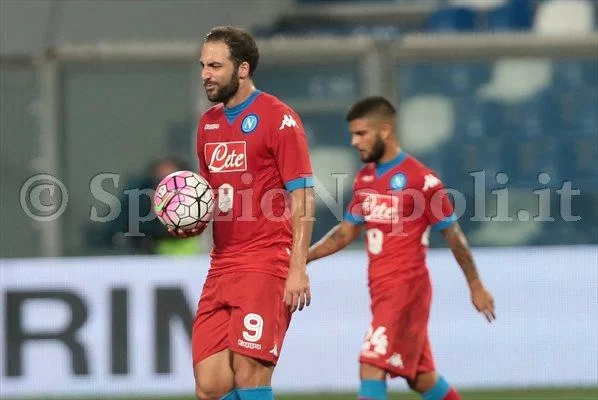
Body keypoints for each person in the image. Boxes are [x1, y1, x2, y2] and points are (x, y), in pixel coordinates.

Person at [307, 96, 495, 400]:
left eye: (361, 133)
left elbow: (454, 236)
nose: (354, 142)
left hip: (406, 289)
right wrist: (304, 258)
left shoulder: (423, 180)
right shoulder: (366, 177)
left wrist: (475, 285)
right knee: (422, 378)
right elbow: (345, 232)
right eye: (353, 134)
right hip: (380, 289)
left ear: (384, 130)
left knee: (371, 365)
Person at [169, 26, 315, 400]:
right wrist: (189, 222)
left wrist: (297, 267)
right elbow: (208, 197)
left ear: (243, 69)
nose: (206, 74)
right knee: (210, 385)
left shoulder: (278, 118)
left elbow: (303, 197)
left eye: (215, 66)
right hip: (222, 266)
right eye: (203, 66)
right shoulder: (208, 124)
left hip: (265, 262)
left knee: (250, 375)